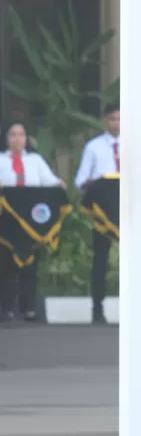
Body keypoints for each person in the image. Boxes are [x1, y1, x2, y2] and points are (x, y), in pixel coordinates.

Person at [0, 122, 64, 322]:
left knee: (30, 264)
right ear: (6, 138)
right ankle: (7, 308)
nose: (17, 139)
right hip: (7, 222)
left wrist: (59, 184)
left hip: (32, 223)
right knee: (7, 264)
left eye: (21, 135)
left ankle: (29, 308)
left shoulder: (35, 160)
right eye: (13, 135)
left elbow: (50, 181)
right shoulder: (1, 160)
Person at [74, 103, 120, 323]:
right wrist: (94, 183)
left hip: (129, 210)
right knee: (100, 260)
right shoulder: (94, 147)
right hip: (103, 212)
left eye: (120, 119)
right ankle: (98, 307)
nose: (116, 123)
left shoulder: (135, 145)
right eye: (112, 119)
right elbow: (80, 180)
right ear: (105, 121)